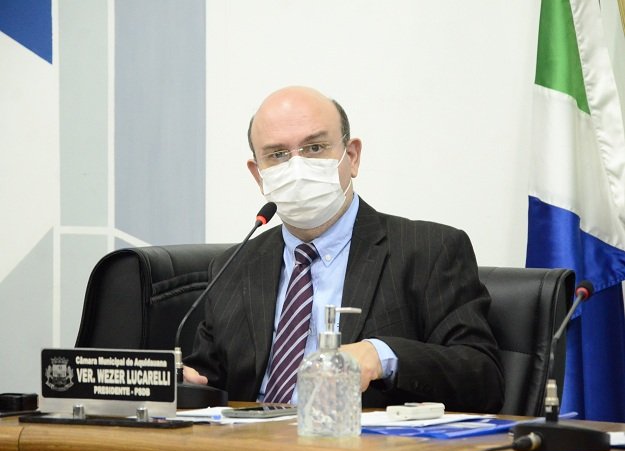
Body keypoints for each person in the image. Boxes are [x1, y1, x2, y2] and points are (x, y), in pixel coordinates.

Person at [184, 86, 504, 412]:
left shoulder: (429, 251)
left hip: (358, 441)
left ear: (351, 157)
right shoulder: (234, 266)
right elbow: (207, 382)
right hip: (249, 440)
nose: (297, 168)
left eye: (315, 147)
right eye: (278, 155)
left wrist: (382, 355)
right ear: (258, 175)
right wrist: (183, 384)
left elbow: (483, 378)